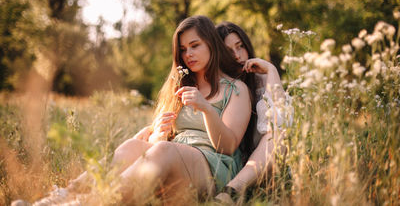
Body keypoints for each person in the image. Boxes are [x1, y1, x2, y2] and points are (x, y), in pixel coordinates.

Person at [12, 16, 253, 206]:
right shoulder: (181, 85)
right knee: (132, 145)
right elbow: (162, 141)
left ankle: (86, 203)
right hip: (174, 157)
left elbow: (228, 145)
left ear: (211, 43)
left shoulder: (236, 89)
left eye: (194, 45)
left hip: (212, 166)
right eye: (182, 49)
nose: (187, 54)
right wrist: (159, 133)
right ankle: (59, 197)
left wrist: (206, 108)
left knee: (165, 150)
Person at [214, 21, 293, 203]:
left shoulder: (262, 79)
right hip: (230, 165)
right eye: (228, 51)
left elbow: (281, 121)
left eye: (240, 47)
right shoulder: (217, 86)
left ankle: (231, 192)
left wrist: (271, 71)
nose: (236, 55)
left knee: (278, 136)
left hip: (267, 167)